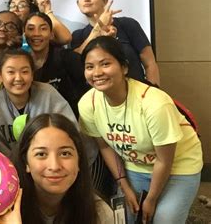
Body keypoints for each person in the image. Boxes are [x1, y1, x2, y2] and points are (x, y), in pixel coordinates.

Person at [78, 36, 202, 223]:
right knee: (127, 218)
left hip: (178, 166)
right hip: (135, 167)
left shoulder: (154, 104)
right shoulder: (88, 104)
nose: (97, 72)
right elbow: (105, 147)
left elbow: (164, 160)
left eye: (105, 64)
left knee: (163, 219)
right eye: (90, 67)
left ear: (124, 67)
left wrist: (151, 200)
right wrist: (125, 187)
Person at [13, 113, 114, 224]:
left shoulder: (100, 214)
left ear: (79, 160)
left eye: (65, 153)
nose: (55, 166)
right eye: (41, 154)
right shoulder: (6, 211)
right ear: (26, 162)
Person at [0, 48, 76, 156]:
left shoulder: (48, 94)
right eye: (11, 72)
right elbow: (1, 150)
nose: (18, 78)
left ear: (32, 74)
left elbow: (71, 131)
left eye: (24, 71)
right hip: (13, 169)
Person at [72, 0, 160, 86]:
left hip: (138, 93)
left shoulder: (127, 24)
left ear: (105, 1)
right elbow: (74, 62)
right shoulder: (78, 35)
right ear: (78, 3)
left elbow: (150, 63)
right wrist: (97, 30)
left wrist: (152, 92)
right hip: (99, 97)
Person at [24, 12, 88, 117]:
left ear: (51, 34)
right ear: (24, 34)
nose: (36, 33)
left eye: (43, 28)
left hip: (70, 120)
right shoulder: (20, 61)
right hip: (36, 123)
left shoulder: (67, 58)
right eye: (31, 29)